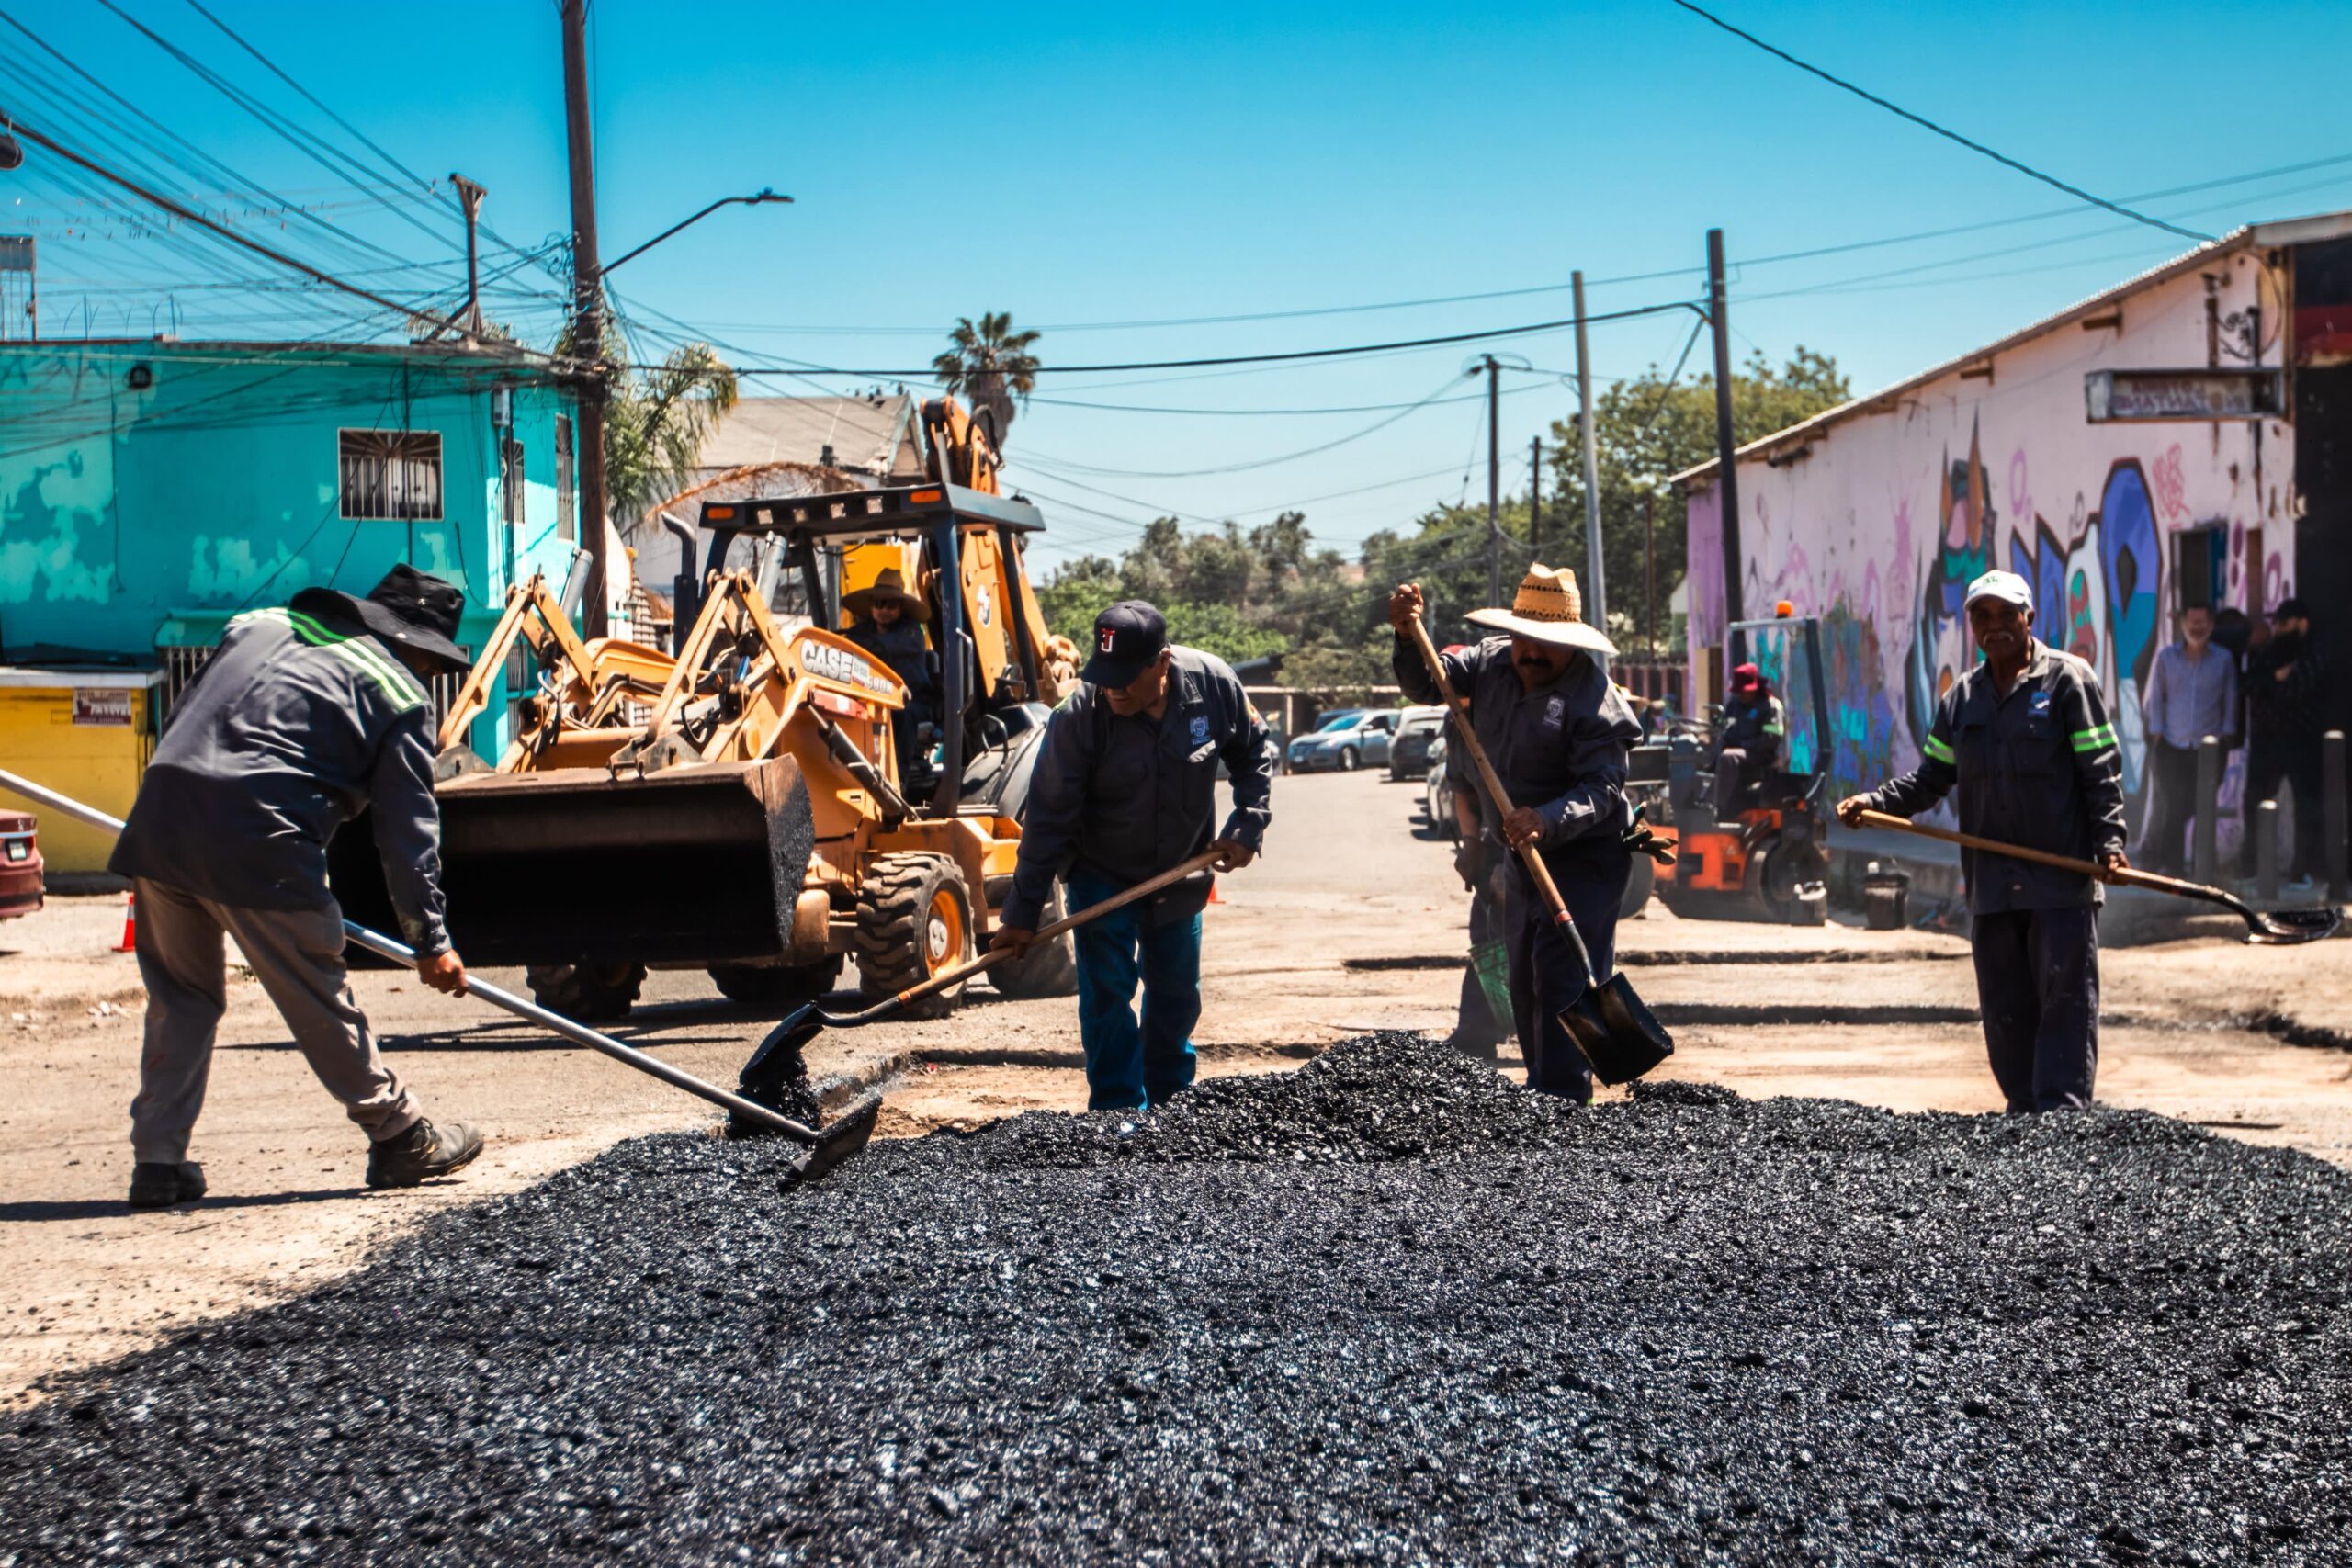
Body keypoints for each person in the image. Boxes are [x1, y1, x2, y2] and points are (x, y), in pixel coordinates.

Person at [108, 565, 484, 1209]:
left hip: (162, 817)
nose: (427, 674)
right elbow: (407, 832)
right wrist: (430, 939)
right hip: (260, 835)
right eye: (429, 661)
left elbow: (190, 716)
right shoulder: (400, 692)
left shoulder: (256, 624)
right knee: (317, 989)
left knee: (182, 998)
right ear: (414, 645)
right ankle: (399, 1135)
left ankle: (158, 1161)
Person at [1837, 569, 2126, 1113]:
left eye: (2005, 615)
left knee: (2064, 999)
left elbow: (2100, 772)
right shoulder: (1962, 698)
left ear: (2029, 617)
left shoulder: (2068, 681)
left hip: (2060, 881)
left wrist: (2110, 843)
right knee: (2004, 1006)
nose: (1994, 627)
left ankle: (2062, 1118)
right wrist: (1875, 803)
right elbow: (1929, 780)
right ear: (1972, 625)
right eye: (1982, 617)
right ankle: (2021, 1113)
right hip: (1992, 884)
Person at [989, 601, 1275, 1111]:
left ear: (1161, 663)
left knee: (1175, 995)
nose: (1114, 687)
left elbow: (1254, 752)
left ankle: (1170, 1108)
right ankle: (1117, 1114)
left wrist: (1247, 825)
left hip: (1181, 871)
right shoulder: (1078, 715)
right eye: (1106, 675)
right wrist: (1021, 913)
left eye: (1126, 676)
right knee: (1107, 998)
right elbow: (1047, 821)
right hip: (1101, 874)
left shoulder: (1214, 686)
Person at [1389, 565, 1641, 1102]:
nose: (1531, 652)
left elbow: (1603, 787)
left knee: (1560, 973)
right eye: (1525, 638)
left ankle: (1563, 1097)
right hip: (1519, 852)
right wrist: (1408, 637)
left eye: (1546, 643)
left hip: (1583, 856)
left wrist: (1546, 817)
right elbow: (1426, 683)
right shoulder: (1488, 662)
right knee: (1523, 974)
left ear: (1570, 644)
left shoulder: (1594, 697)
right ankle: (1540, 1087)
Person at [2137, 604, 2239, 874]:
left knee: (2201, 805)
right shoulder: (2166, 658)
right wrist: (2156, 732)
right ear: (2182, 624)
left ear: (2211, 625)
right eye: (2192, 622)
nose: (2197, 628)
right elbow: (2156, 698)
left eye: (2202, 622)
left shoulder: (2223, 659)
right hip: (2172, 744)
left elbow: (2230, 698)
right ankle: (2172, 866)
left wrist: (2228, 733)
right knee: (2173, 805)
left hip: (2209, 748)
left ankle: (2203, 867)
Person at [2242, 597, 2327, 885]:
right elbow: (2249, 685)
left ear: (2302, 624)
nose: (2278, 629)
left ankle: (2302, 870)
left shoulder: (2313, 654)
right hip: (2266, 741)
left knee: (2307, 807)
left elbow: (2297, 691)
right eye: (2276, 623)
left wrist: (2273, 685)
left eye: (2285, 624)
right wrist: (2274, 679)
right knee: (2254, 802)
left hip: (2302, 741)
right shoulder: (2268, 653)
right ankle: (2251, 868)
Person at [842, 567, 940, 787]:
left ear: (901, 607)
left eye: (891, 604)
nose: (883, 609)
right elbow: (847, 644)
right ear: (870, 605)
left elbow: (884, 647)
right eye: (878, 603)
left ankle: (897, 782)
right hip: (872, 698)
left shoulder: (912, 632)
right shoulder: (861, 631)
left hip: (912, 701)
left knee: (900, 714)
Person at [1711, 661, 1786, 820]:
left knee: (1728, 757)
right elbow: (1726, 729)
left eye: (1745, 691)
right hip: (1738, 753)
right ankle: (1700, 802)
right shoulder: (1734, 705)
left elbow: (1771, 739)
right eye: (1740, 692)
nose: (1742, 695)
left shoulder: (1770, 706)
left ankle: (1720, 810)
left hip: (1760, 757)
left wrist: (1743, 745)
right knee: (1708, 754)